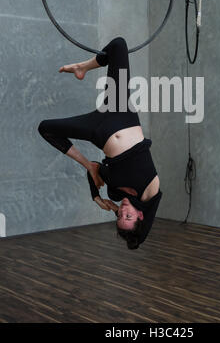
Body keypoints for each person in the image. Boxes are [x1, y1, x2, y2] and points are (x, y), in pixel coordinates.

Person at [38, 37, 162, 249]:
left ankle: (81, 67)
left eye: (119, 216)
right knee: (119, 45)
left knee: (45, 128)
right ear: (140, 215)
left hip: (98, 129)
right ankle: (82, 67)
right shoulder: (149, 192)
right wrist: (134, 239)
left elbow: (94, 170)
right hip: (121, 111)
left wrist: (95, 195)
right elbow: (141, 235)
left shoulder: (114, 191)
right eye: (128, 216)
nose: (122, 211)